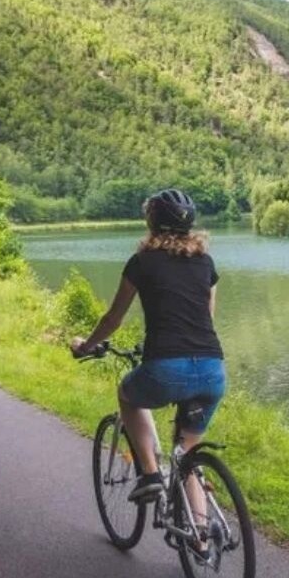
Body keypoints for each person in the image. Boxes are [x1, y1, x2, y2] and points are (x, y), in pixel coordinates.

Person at [71, 188, 225, 527]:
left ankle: (151, 475)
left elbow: (113, 319)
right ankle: (201, 536)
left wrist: (86, 346)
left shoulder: (142, 262)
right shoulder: (206, 263)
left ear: (152, 221)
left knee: (128, 394)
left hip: (166, 368)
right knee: (187, 454)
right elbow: (206, 318)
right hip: (213, 370)